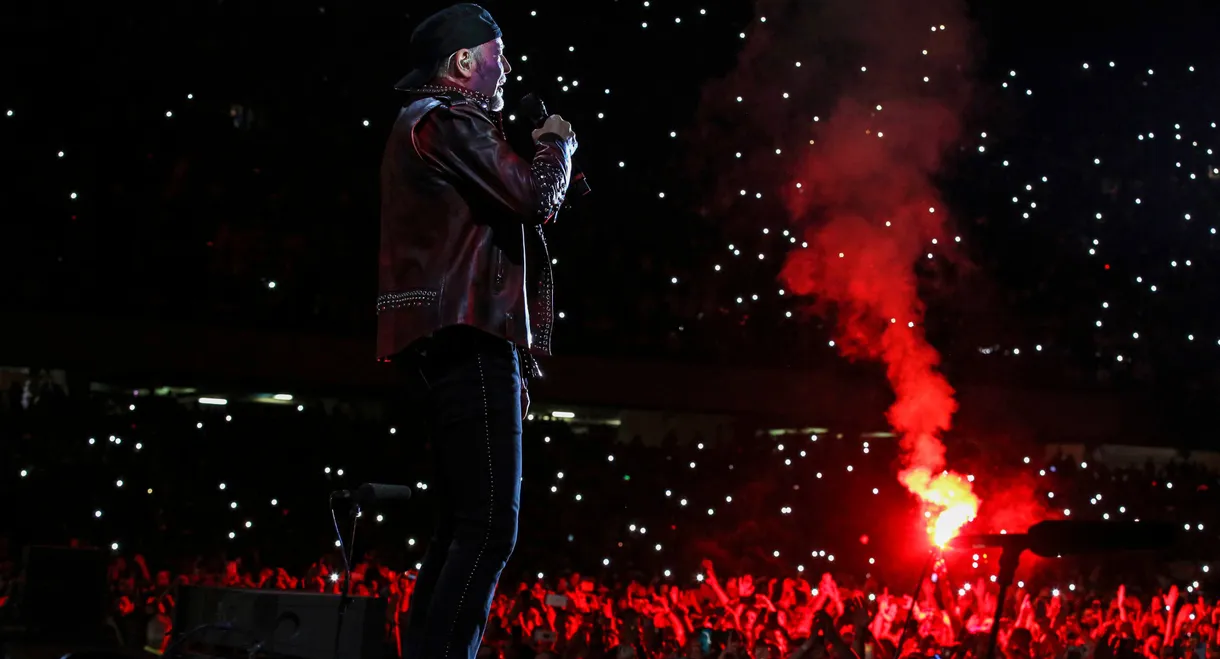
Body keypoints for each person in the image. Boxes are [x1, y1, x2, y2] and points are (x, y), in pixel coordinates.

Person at [376, 4, 578, 659]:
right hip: (468, 334)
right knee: (489, 524)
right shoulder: (450, 118)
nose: (509, 66)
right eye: (499, 52)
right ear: (464, 61)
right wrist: (557, 143)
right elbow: (534, 198)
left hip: (437, 337)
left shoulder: (420, 123)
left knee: (460, 524)